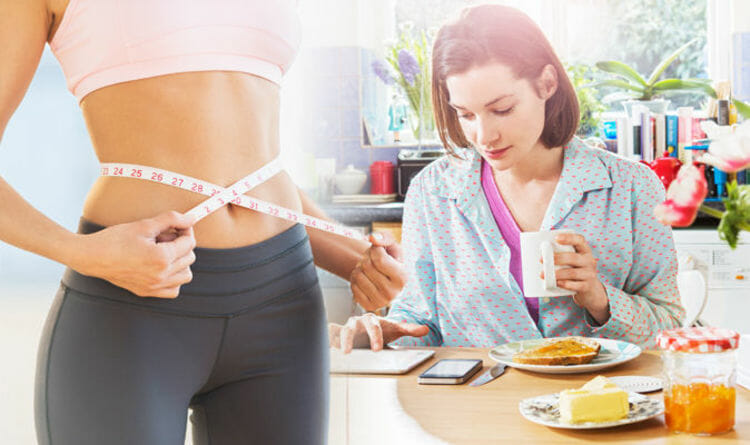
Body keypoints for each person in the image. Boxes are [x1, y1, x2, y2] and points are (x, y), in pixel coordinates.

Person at [1, 1, 405, 444]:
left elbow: (248, 166)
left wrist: (355, 259)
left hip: (284, 304)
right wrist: (82, 253)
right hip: (133, 307)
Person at [330, 4, 685, 353]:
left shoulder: (632, 188)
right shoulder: (433, 192)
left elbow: (669, 328)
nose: (484, 136)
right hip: (476, 404)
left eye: (502, 109)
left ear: (546, 83)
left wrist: (599, 298)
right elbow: (422, 322)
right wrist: (383, 331)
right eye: (465, 114)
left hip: (600, 404)